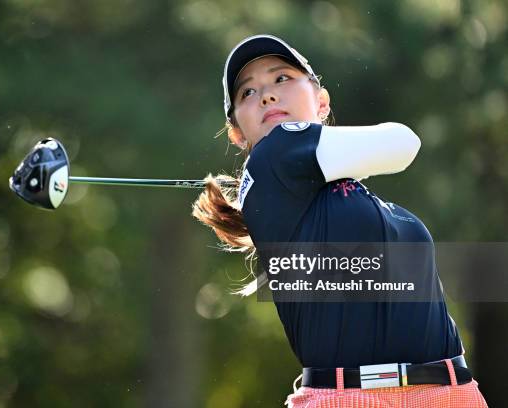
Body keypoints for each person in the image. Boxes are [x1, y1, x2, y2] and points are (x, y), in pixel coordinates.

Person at [192, 34, 488, 407]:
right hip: (353, 398)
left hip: (451, 393)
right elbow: (403, 142)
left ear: (322, 100)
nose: (266, 95)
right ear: (237, 133)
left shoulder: (348, 198)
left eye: (281, 78)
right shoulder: (275, 154)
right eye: (247, 93)